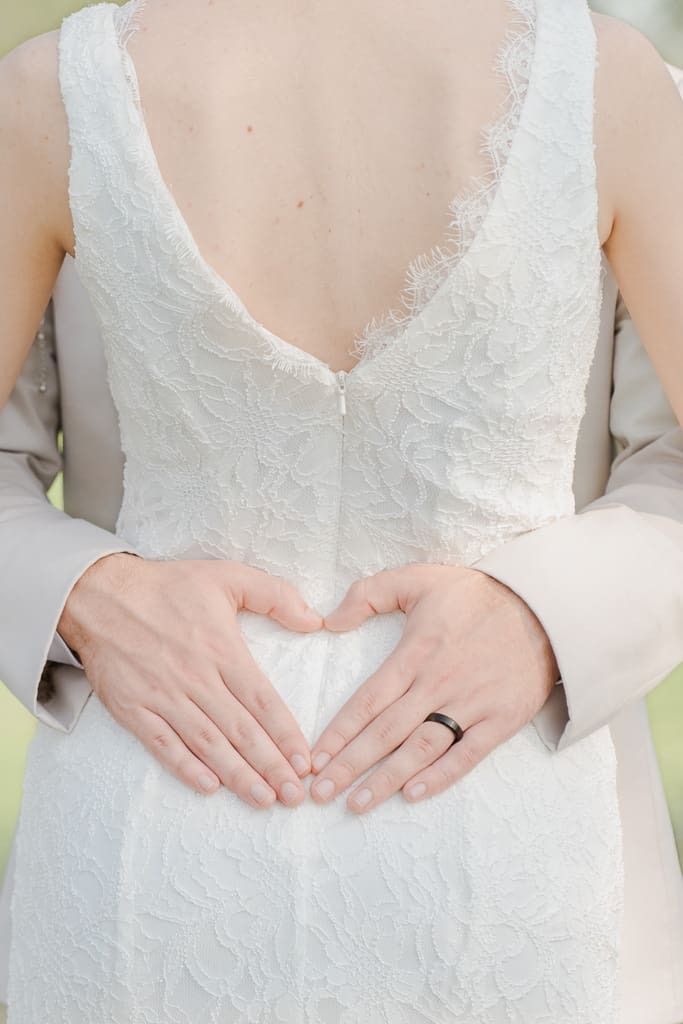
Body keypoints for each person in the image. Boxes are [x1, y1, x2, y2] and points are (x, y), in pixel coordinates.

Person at [1, 0, 682, 1020]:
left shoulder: (46, 89)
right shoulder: (609, 82)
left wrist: (547, 615)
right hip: (483, 817)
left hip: (177, 816)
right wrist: (84, 596)